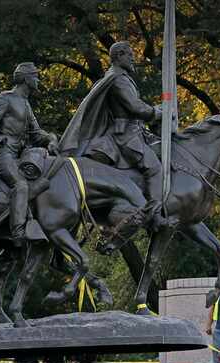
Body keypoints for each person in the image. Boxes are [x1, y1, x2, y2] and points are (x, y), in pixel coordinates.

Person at [58, 40, 166, 228]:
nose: (133, 57)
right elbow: (134, 106)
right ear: (119, 56)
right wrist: (157, 112)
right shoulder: (118, 78)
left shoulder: (119, 76)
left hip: (135, 131)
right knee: (155, 169)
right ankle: (154, 216)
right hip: (126, 135)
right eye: (129, 54)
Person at [0, 62, 58, 243]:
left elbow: (36, 133)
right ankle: (18, 233)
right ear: (25, 78)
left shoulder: (25, 104)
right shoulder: (5, 99)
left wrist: (51, 139)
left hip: (19, 154)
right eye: (35, 76)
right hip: (2, 153)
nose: (38, 79)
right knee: (20, 186)